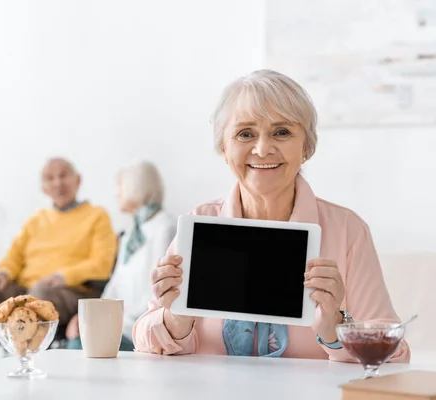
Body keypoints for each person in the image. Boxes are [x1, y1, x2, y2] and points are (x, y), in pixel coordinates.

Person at [132, 70, 411, 362]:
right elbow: (143, 339)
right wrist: (176, 319)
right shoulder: (199, 223)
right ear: (224, 148)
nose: (263, 149)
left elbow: (395, 354)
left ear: (306, 146)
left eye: (282, 132)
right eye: (245, 134)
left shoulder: (347, 230)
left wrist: (336, 329)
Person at [0, 157, 118, 365]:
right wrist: (4, 273)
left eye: (63, 176)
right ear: (44, 188)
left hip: (69, 291)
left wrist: (62, 276)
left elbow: (102, 264)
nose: (57, 183)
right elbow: (14, 255)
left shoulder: (97, 216)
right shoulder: (36, 220)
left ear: (78, 180)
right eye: (50, 178)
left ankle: (25, 364)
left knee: (39, 295)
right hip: (28, 289)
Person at [65, 160, 176, 351]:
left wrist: (109, 322)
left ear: (136, 186)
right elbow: (115, 285)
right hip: (120, 325)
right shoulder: (131, 234)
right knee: (78, 338)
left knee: (78, 346)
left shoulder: (165, 228)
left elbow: (159, 293)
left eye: (120, 186)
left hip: (142, 331)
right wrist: (88, 315)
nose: (117, 193)